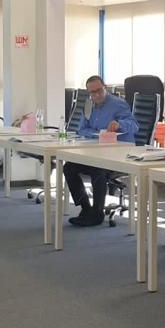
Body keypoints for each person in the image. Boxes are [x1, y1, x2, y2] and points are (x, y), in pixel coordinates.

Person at [63, 75, 139, 226]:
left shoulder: (118, 104)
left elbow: (135, 126)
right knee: (69, 167)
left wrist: (119, 124)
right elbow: (81, 130)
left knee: (98, 170)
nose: (96, 95)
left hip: (119, 154)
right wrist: (98, 134)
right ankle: (86, 208)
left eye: (99, 90)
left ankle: (97, 214)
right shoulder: (88, 105)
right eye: (92, 92)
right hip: (97, 152)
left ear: (105, 88)